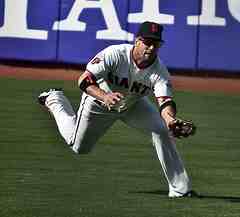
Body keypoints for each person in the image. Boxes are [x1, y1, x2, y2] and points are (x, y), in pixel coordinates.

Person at [38, 21, 197, 198]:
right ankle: (54, 99)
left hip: (133, 105)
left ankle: (180, 189)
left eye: (156, 44)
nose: (151, 47)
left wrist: (170, 120)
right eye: (147, 42)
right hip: (99, 104)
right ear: (137, 41)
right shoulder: (116, 54)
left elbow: (165, 101)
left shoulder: (159, 71)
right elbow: (84, 80)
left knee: (162, 130)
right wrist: (104, 96)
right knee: (78, 147)